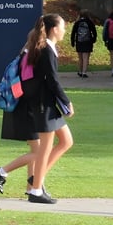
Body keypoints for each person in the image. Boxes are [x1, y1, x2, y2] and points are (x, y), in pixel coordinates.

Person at [25, 14, 74, 204]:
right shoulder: (45, 49)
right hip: (43, 105)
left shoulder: (47, 47)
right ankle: (36, 190)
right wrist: (66, 101)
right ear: (54, 29)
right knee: (45, 148)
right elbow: (52, 81)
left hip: (48, 104)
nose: (64, 30)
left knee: (66, 141)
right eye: (63, 26)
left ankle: (36, 178)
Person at [0, 38, 39, 196]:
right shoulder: (28, 60)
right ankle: (3, 171)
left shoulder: (21, 58)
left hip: (22, 107)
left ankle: (31, 188)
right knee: (40, 152)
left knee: (36, 149)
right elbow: (29, 87)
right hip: (27, 109)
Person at [69, 10, 97, 78]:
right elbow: (94, 32)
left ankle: (80, 71)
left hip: (79, 42)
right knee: (85, 58)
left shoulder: (77, 23)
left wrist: (73, 42)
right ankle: (84, 72)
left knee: (80, 58)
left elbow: (73, 33)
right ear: (87, 15)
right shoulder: (89, 22)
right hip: (87, 42)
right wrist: (93, 40)